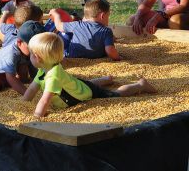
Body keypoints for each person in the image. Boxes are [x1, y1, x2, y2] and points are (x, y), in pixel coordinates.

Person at [23, 32, 157, 117]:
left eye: (30, 54)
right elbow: (32, 89)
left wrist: (36, 117)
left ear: (37, 58)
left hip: (84, 93)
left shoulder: (53, 77)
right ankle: (105, 79)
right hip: (76, 85)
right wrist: (24, 103)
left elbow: (45, 100)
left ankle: (140, 85)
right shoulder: (44, 70)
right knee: (85, 83)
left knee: (113, 94)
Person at [0, 20, 45, 95]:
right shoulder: (11, 54)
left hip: (10, 73)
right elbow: (11, 78)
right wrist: (28, 94)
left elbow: (35, 72)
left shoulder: (25, 50)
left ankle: (7, 84)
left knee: (24, 76)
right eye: (32, 48)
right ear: (19, 43)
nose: (35, 51)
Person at [50, 0, 121, 60]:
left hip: (72, 57)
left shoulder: (77, 24)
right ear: (102, 16)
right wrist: (118, 57)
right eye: (108, 16)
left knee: (64, 35)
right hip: (96, 58)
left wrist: (56, 14)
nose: (108, 19)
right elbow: (110, 50)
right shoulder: (106, 31)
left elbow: (59, 26)